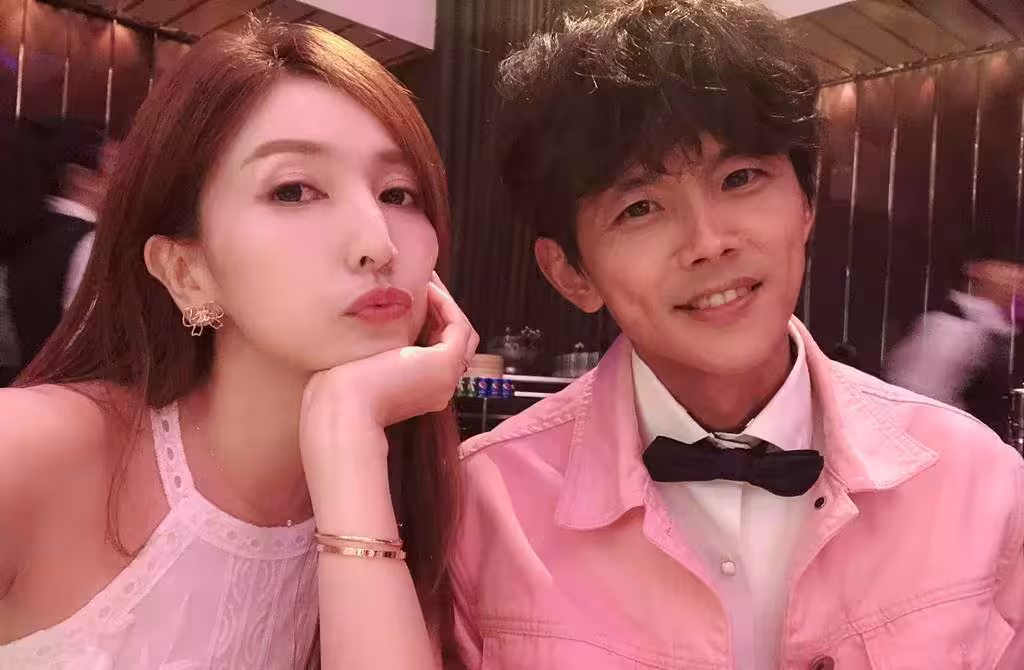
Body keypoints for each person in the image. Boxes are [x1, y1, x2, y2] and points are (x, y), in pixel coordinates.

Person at [451, 1, 1024, 668]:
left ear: (805, 203)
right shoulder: (485, 504)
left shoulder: (976, 481)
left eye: (741, 177)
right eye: (640, 207)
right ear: (571, 272)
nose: (709, 241)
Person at [0, 21, 476, 670]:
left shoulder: (418, 498)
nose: (378, 243)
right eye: (294, 190)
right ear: (186, 273)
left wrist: (345, 434)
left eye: (398, 193)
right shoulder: (28, 452)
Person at [5, 122, 117, 375]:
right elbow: (87, 342)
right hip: (66, 385)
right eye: (113, 164)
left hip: (24, 381)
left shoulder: (25, 231)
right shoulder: (90, 242)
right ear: (81, 178)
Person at [886, 259, 1024, 439]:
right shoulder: (949, 326)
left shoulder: (997, 329)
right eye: (1006, 270)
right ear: (977, 271)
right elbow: (921, 401)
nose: (1016, 278)